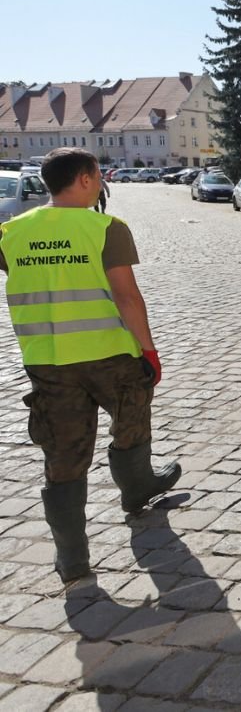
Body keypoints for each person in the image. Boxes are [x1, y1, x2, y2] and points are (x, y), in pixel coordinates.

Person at [0, 148, 180, 582]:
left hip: (48, 361)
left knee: (63, 454)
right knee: (131, 421)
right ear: (85, 179)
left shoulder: (10, 232)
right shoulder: (106, 228)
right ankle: (135, 489)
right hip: (111, 353)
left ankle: (72, 559)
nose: (101, 183)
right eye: (98, 176)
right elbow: (127, 296)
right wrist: (149, 350)